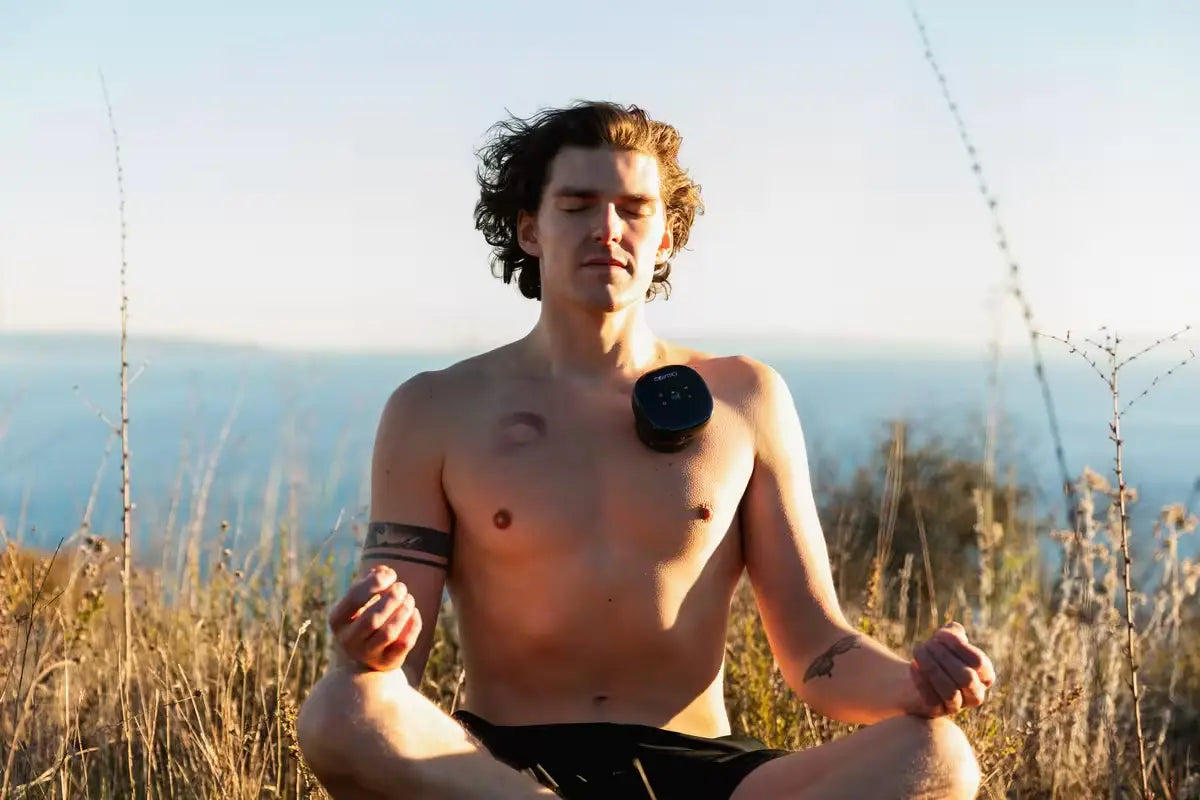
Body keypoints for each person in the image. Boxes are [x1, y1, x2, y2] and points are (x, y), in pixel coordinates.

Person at [296, 101, 995, 800]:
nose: (607, 228)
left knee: (939, 758)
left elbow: (817, 648)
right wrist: (369, 647)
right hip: (502, 772)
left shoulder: (746, 397)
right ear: (529, 229)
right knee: (342, 710)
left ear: (666, 237)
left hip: (705, 768)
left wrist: (915, 684)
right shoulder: (435, 408)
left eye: (634, 208)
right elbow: (396, 668)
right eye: (577, 205)